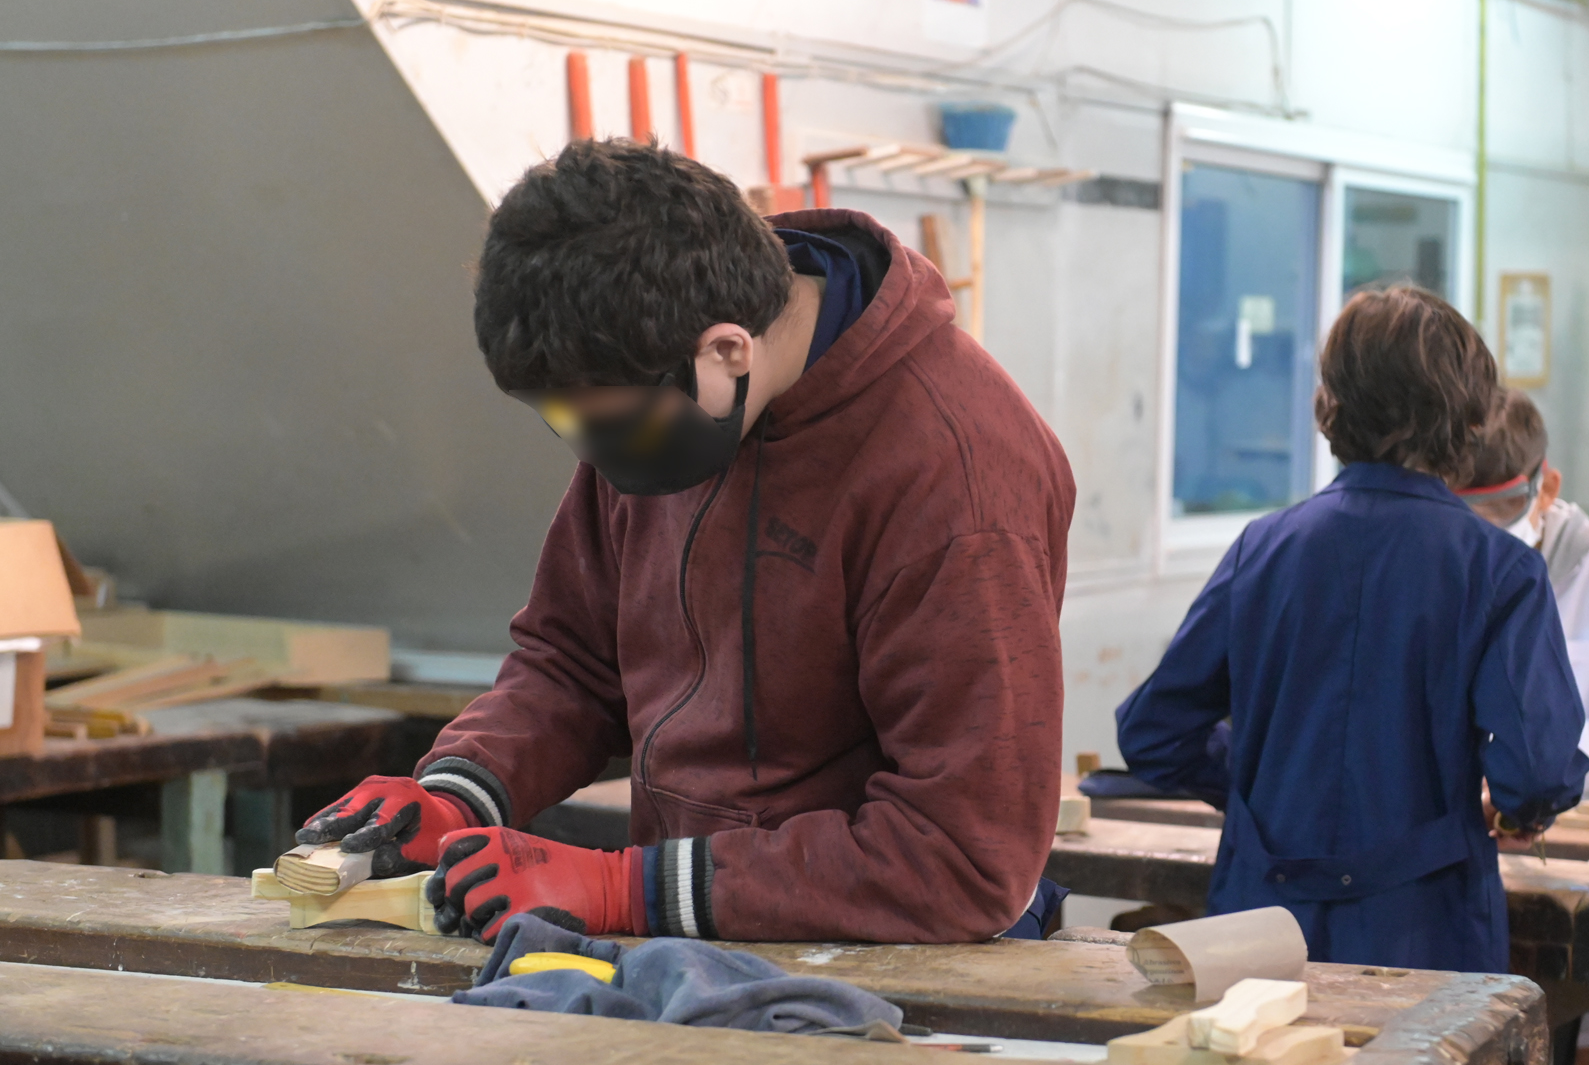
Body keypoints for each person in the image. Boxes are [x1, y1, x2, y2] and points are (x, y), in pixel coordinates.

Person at [295, 140, 1076, 944]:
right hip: (701, 925)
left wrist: (621, 887)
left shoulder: (957, 479)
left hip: (895, 958)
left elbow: (963, 858)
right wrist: (462, 790)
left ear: (727, 350)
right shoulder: (662, 382)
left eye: (608, 424)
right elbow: (577, 663)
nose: (591, 451)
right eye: (562, 419)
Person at [1114, 286, 1589, 974]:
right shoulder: (1497, 570)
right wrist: (1520, 813)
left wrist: (1263, 783)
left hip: (1260, 923)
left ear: (1330, 405)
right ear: (1469, 417)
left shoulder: (1261, 549)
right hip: (1425, 933)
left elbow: (1152, 732)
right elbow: (1535, 774)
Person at [1458, 390, 1589, 799]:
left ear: (1547, 490)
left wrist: (1524, 774)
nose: (1485, 531)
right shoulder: (1444, 572)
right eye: (1465, 511)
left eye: (1503, 507)